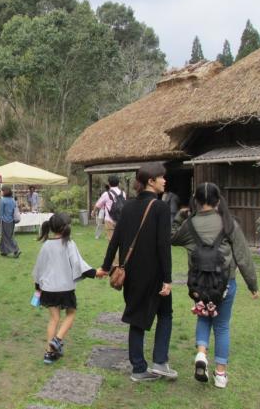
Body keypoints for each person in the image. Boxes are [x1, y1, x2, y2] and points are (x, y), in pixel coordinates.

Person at [171, 182, 259, 388]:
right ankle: (220, 374)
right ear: (218, 201)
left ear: (196, 201)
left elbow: (171, 238)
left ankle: (201, 354)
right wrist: (252, 284)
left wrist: (179, 216)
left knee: (203, 320)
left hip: (198, 286)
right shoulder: (229, 224)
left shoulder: (189, 224)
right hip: (225, 284)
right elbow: (243, 256)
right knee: (221, 326)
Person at [99, 163, 176, 382]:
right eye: (161, 177)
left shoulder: (129, 206)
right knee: (165, 314)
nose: (164, 181)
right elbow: (164, 246)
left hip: (131, 273)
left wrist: (106, 267)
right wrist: (168, 278)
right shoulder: (160, 208)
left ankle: (140, 367)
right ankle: (159, 362)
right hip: (155, 275)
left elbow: (115, 239)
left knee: (136, 318)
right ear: (151, 181)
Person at [33, 213, 105, 364]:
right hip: (65, 289)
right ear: (67, 227)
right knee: (71, 314)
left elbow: (39, 269)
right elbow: (79, 265)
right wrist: (95, 273)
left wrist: (38, 287)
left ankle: (49, 353)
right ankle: (57, 340)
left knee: (54, 319)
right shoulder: (69, 244)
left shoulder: (46, 245)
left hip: (48, 289)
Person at [94, 176, 126, 241]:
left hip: (109, 220)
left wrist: (93, 212)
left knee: (111, 241)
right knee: (120, 240)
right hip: (121, 220)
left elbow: (97, 205)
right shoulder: (123, 193)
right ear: (118, 183)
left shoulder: (106, 194)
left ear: (109, 184)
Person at [0, 185, 21, 258]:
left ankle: (16, 250)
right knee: (5, 236)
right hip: (12, 221)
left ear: (4, 191)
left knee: (7, 237)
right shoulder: (13, 200)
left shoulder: (3, 200)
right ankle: (4, 251)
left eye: (1, 190)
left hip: (5, 221)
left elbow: (0, 212)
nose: (1, 192)